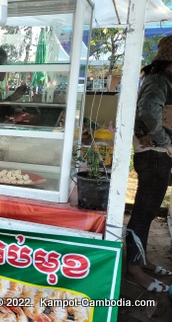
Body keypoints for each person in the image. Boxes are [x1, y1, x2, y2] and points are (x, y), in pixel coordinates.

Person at [127, 35, 172, 293]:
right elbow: (147, 115)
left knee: (148, 211)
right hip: (154, 155)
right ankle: (134, 268)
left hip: (156, 154)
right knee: (143, 213)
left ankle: (140, 259)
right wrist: (165, 142)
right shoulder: (159, 82)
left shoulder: (162, 80)